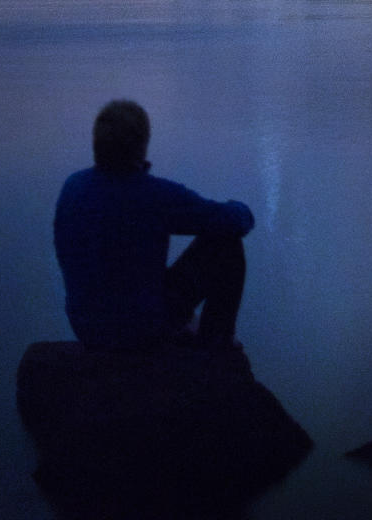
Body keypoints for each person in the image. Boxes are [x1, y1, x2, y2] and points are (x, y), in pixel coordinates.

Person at [54, 99, 254, 351]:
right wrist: (242, 207)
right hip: (139, 331)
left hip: (86, 327)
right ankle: (216, 349)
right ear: (141, 145)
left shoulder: (73, 187)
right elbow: (233, 221)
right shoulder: (152, 195)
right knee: (226, 247)